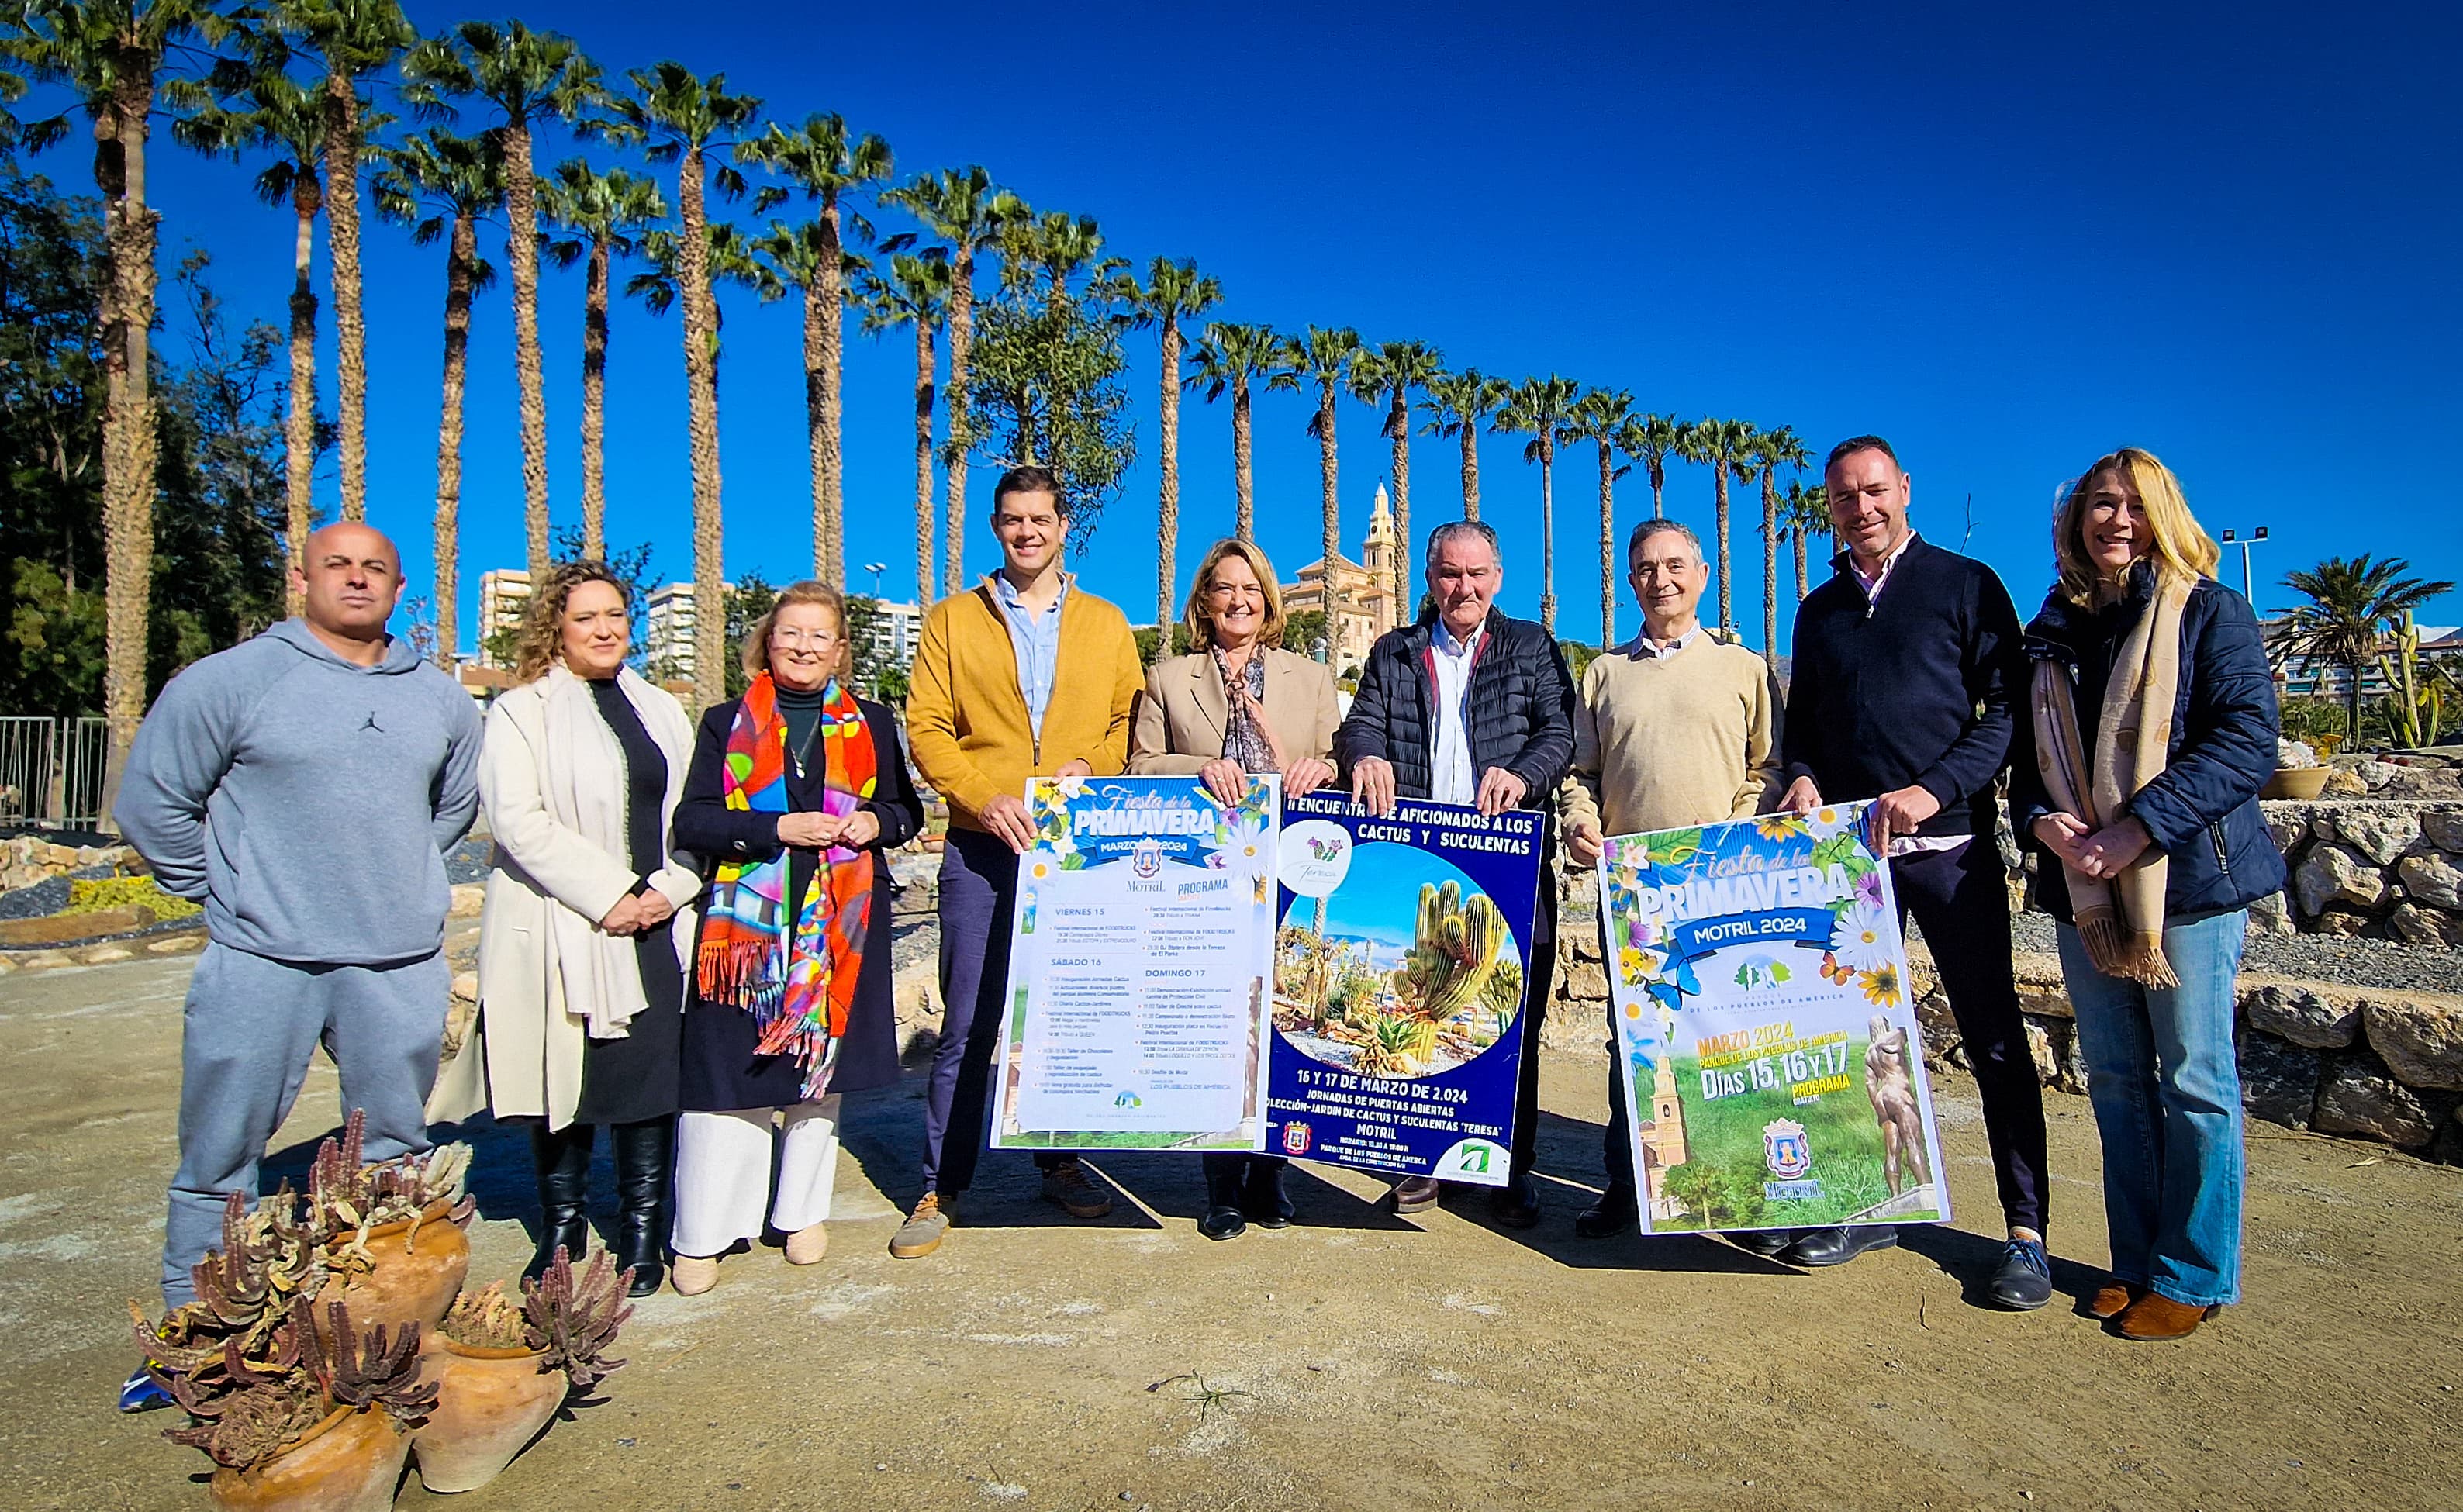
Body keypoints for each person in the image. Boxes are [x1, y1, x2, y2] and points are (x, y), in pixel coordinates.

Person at [112, 521, 481, 1410]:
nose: (356, 581)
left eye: (375, 570)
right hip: (260, 958)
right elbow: (152, 803)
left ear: (400, 587)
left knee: (395, 1156)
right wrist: (234, 892)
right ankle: (196, 1340)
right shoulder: (231, 683)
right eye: (337, 566)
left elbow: (452, 812)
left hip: (395, 962)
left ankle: (386, 1329)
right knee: (220, 1152)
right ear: (303, 578)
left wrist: (391, 887)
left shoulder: (441, 701)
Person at [1775, 436, 2052, 1310]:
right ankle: (1872, 1202)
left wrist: (1934, 792)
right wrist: (1801, 775)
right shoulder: (1816, 611)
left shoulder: (1967, 586)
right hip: (1853, 867)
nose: (1861, 506)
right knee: (1864, 1041)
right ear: (1829, 508)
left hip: (1951, 853)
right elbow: (1802, 727)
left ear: (1902, 490)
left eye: (1873, 490)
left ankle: (2025, 1233)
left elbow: (2006, 714)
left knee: (1992, 1034)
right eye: (1843, 496)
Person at [2013, 448, 2282, 1341]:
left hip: (2187, 885)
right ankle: (2133, 1259)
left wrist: (2136, 828)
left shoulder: (2207, 613)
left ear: (2160, 513)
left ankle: (2195, 1271)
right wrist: (2044, 826)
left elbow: (2245, 740)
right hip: (2083, 889)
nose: (2112, 520)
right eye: (2097, 504)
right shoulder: (2051, 631)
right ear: (2073, 521)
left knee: (2194, 1080)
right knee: (2118, 1081)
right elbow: (2026, 762)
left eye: (2130, 505)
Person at [428, 561, 701, 1298]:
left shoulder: (661, 709)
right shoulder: (523, 712)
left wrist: (668, 890)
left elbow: (691, 816)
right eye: (587, 618)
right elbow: (518, 822)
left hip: (654, 922)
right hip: (565, 922)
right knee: (565, 1077)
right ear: (557, 626)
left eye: (615, 615)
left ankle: (643, 1227)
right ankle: (562, 1224)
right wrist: (609, 893)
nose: (606, 629)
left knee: (647, 1080)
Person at [896, 467, 1145, 1258]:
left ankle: (1061, 1162)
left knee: (1062, 1014)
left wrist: (1088, 767)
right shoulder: (950, 621)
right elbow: (927, 728)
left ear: (1064, 525)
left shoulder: (1106, 624)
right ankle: (942, 1183)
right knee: (967, 1020)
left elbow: (1124, 719)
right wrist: (982, 797)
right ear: (996, 527)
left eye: (1040, 519)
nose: (1027, 532)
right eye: (1012, 520)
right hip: (980, 843)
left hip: (1073, 850)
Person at [665, 580, 924, 1295]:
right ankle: (709, 1230)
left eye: (819, 636)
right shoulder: (725, 721)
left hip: (840, 922)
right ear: (767, 642)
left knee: (820, 1078)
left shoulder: (871, 721)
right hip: (746, 932)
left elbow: (903, 810)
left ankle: (800, 1213)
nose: (804, 647)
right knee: (730, 1079)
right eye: (791, 634)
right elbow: (693, 820)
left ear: (840, 648)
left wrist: (877, 824)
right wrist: (774, 829)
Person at [1336, 519, 1577, 1227]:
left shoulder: (1531, 647)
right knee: (1421, 1005)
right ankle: (1416, 1163)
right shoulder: (1394, 651)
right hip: (1417, 858)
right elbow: (1359, 726)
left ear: (1497, 578)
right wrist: (1365, 757)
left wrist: (1525, 776)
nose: (1462, 587)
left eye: (1476, 574)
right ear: (1430, 580)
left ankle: (1510, 1167)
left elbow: (1558, 734)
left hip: (1507, 858)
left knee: (1512, 1022)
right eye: (1448, 574)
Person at [1559, 518, 1781, 1238]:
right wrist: (1579, 822)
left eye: (1675, 564)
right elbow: (1579, 773)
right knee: (1636, 1041)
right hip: (1634, 891)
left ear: (1705, 574)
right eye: (1647, 568)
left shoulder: (1745, 668)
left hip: (1724, 883)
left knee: (1728, 1041)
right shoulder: (1604, 673)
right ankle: (1630, 1188)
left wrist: (1736, 830)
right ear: (1631, 582)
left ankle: (1749, 1192)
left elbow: (1767, 769)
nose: (1662, 579)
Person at [1128, 537, 1342, 1240]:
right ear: (1204, 601)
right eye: (1224, 588)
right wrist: (1200, 767)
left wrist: (1325, 770)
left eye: (1251, 588)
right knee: (1214, 1028)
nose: (1238, 600)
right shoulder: (1168, 678)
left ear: (1270, 600)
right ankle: (1220, 1184)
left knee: (1281, 1022)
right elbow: (1137, 766)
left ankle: (1271, 1176)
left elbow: (1338, 757)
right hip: (1204, 878)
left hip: (1288, 869)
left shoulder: (1309, 681)